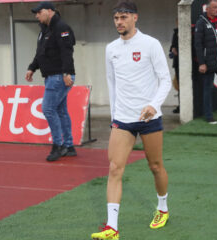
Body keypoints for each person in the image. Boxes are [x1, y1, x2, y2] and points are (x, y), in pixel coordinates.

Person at [91, 1, 171, 239]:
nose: (119, 22)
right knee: (115, 168)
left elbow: (165, 80)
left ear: (135, 18)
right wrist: (115, 115)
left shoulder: (150, 44)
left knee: (155, 166)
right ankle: (112, 228)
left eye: (123, 17)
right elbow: (112, 83)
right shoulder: (111, 48)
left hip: (149, 117)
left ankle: (163, 208)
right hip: (123, 119)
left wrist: (153, 105)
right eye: (116, 18)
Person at [25, 2, 77, 161]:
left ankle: (58, 146)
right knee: (60, 111)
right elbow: (40, 53)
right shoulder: (45, 30)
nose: (36, 16)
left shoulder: (61, 27)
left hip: (59, 76)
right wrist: (32, 68)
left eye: (39, 12)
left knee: (48, 108)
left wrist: (67, 72)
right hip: (52, 76)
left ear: (50, 11)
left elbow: (67, 51)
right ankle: (69, 146)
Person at [169, 23, 180, 114]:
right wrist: (173, 49)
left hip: (187, 62)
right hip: (177, 63)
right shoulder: (175, 32)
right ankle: (180, 105)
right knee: (179, 85)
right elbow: (172, 46)